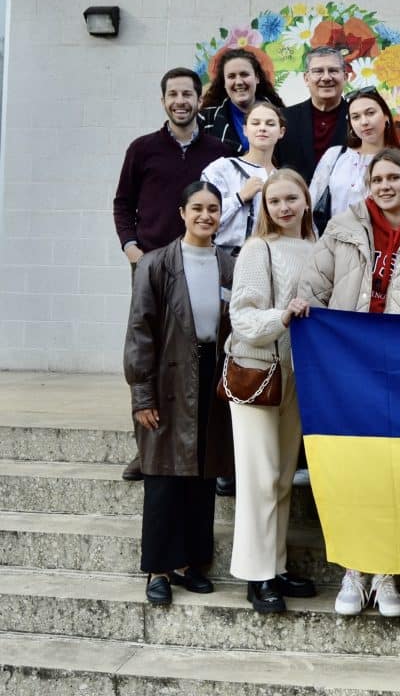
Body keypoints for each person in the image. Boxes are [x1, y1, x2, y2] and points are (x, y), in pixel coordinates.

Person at [299, 148, 400, 618]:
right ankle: (354, 568)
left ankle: (387, 572)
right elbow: (312, 291)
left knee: (396, 472)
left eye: (395, 177)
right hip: (348, 370)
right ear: (367, 183)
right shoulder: (342, 229)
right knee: (352, 469)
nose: (386, 185)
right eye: (378, 178)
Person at [113, 67, 232, 481]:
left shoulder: (219, 151)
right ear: (163, 100)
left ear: (201, 100)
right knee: (148, 352)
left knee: (193, 362)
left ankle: (199, 447)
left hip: (200, 265)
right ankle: (145, 449)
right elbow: (122, 203)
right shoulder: (143, 149)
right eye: (173, 95)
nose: (181, 101)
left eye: (188, 94)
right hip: (155, 269)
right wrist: (132, 249)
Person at [123, 181, 235, 606]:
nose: (205, 216)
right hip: (169, 377)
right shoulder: (155, 265)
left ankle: (191, 563)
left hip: (213, 375)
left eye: (213, 209)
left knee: (203, 476)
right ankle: (158, 567)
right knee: (165, 478)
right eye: (197, 208)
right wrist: (142, 395)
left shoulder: (229, 264)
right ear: (182, 212)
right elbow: (140, 332)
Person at [226, 169, 319, 613]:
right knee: (259, 476)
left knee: (283, 477)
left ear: (306, 200)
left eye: (290, 199)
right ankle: (255, 573)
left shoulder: (319, 249)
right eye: (274, 201)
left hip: (299, 377)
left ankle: (276, 565)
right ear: (265, 208)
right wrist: (282, 316)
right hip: (259, 373)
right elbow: (241, 316)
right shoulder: (256, 249)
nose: (283, 207)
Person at [308, 87, 400, 233]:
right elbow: (312, 203)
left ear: (386, 116)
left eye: (370, 113)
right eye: (356, 117)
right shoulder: (335, 156)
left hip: (382, 248)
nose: (364, 122)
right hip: (336, 245)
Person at [201, 101, 287, 254]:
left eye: (270, 124)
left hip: (272, 259)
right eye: (255, 123)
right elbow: (202, 217)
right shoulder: (222, 169)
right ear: (245, 130)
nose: (262, 128)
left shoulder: (285, 180)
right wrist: (240, 197)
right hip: (225, 259)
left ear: (281, 132)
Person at [276, 46, 349, 183]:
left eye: (333, 70)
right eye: (318, 71)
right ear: (306, 78)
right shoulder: (284, 119)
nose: (326, 77)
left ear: (345, 77)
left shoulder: (358, 119)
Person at [199, 48, 286, 154]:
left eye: (244, 74)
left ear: (257, 78)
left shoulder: (283, 116)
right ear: (224, 83)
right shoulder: (206, 119)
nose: (239, 82)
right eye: (231, 76)